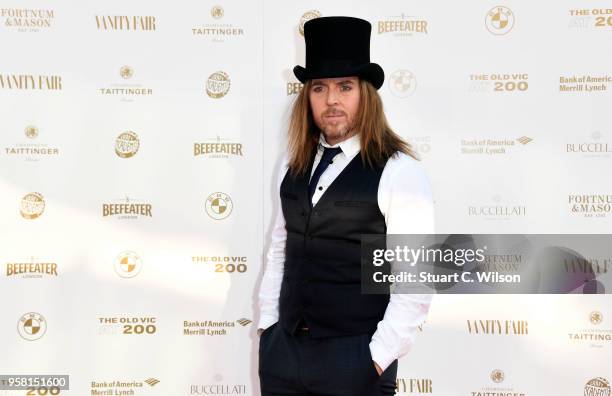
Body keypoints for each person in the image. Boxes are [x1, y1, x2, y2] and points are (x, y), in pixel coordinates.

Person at [257, 16, 434, 396]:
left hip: (355, 360)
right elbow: (280, 249)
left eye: (344, 87)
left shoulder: (399, 171)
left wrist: (375, 357)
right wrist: (269, 328)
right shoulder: (292, 164)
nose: (331, 100)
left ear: (365, 94)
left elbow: (415, 282)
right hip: (283, 356)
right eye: (319, 87)